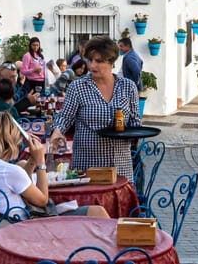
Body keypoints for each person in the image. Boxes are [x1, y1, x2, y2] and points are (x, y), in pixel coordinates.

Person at [0, 111, 109, 235]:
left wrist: (32, 159)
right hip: (29, 230)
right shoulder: (8, 171)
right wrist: (40, 162)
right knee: (97, 212)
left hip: (7, 226)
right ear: (11, 140)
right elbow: (43, 200)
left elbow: (20, 183)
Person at [49, 36, 141, 181]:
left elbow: (135, 121)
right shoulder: (78, 87)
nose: (92, 66)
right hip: (88, 164)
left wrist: (134, 134)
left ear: (111, 62)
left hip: (120, 164)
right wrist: (57, 131)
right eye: (89, 60)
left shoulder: (128, 87)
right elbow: (65, 117)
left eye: (98, 61)